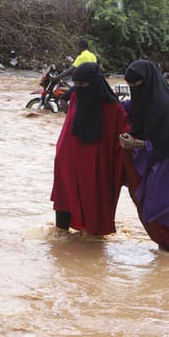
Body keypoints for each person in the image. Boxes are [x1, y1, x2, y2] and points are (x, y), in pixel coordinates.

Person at [118, 59, 169, 253]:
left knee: (165, 210)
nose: (135, 90)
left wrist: (134, 144)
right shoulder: (148, 100)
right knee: (155, 208)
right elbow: (131, 107)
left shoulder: (167, 108)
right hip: (163, 159)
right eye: (131, 87)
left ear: (149, 82)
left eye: (137, 86)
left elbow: (163, 143)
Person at [50, 63, 130, 235]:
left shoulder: (113, 109)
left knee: (93, 207)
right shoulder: (76, 99)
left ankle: (90, 248)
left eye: (83, 85)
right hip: (68, 162)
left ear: (95, 83)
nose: (79, 89)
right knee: (64, 205)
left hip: (96, 166)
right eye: (76, 85)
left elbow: (122, 141)